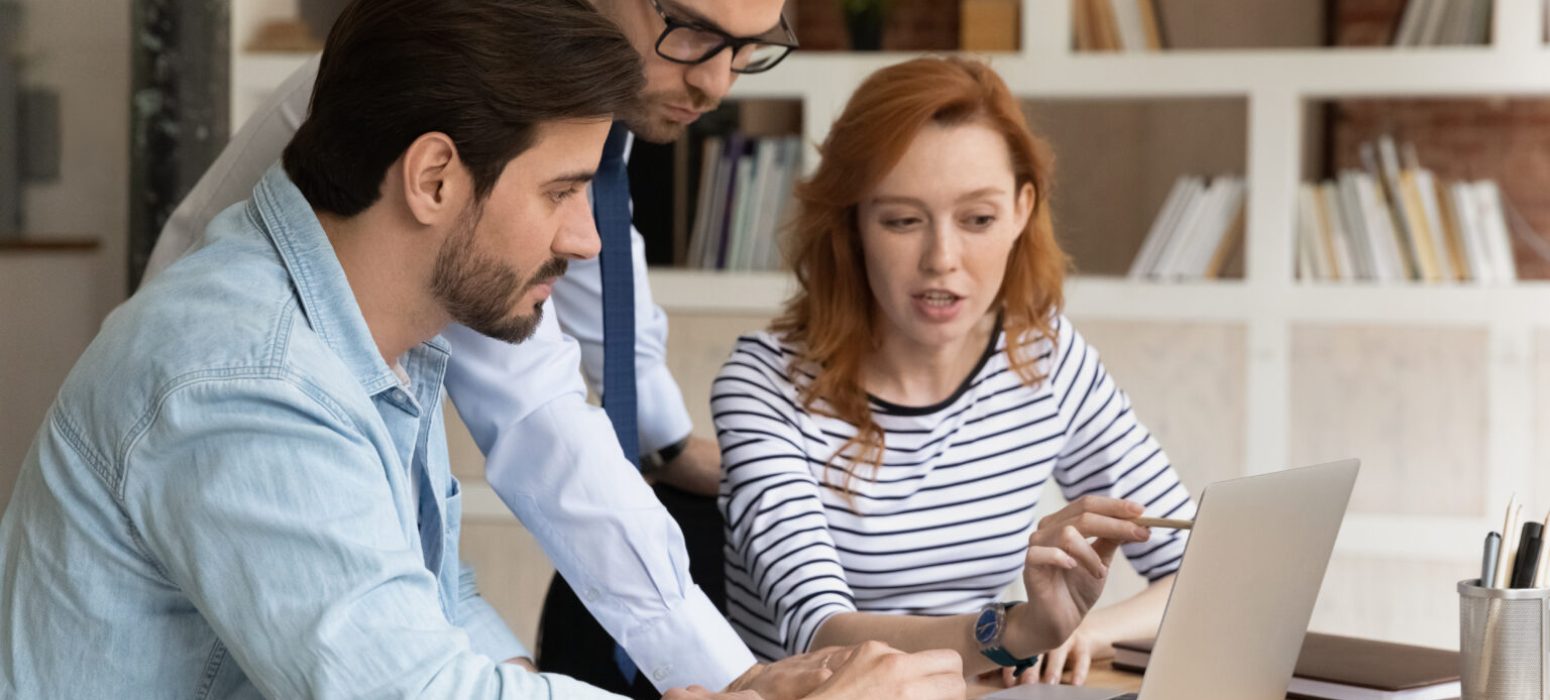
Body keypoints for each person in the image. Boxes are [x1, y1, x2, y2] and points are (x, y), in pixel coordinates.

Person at [0, 2, 968, 697]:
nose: (586, 239)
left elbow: (434, 609)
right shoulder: (252, 383)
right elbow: (419, 685)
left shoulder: (395, 343)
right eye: (562, 193)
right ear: (432, 178)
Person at [141, 1, 799, 696]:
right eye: (695, 31)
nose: (718, 83)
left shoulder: (409, 347)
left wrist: (666, 438)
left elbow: (430, 583)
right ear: (434, 179)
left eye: (750, 48)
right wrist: (740, 683)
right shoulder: (463, 76)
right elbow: (538, 420)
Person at [713, 56, 1199, 687]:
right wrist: (1014, 633)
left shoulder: (1046, 357)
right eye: (902, 220)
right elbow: (821, 632)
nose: (942, 258)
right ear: (852, 222)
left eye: (978, 219)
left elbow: (1198, 567)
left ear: (1022, 210)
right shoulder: (763, 385)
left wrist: (1083, 629)